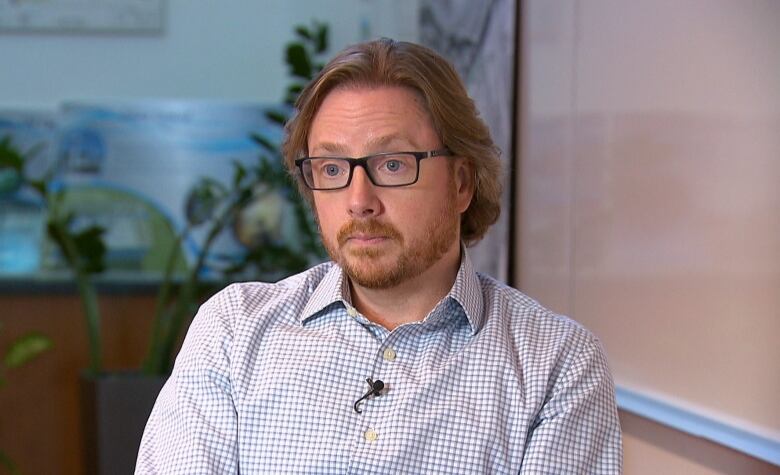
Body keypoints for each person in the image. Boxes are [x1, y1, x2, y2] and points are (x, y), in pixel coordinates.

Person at [136, 38, 622, 474]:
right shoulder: (234, 329)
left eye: (392, 164)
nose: (358, 199)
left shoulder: (557, 366)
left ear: (461, 183)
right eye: (331, 167)